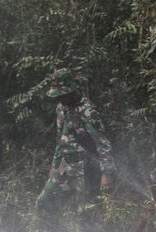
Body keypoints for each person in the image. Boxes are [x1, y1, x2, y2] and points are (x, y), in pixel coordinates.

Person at [36, 68, 117, 221]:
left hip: (85, 170)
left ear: (71, 91)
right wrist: (55, 166)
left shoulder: (87, 110)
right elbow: (60, 139)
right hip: (65, 167)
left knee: (85, 216)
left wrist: (106, 174)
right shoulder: (60, 108)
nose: (60, 98)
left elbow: (102, 143)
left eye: (63, 95)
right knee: (44, 204)